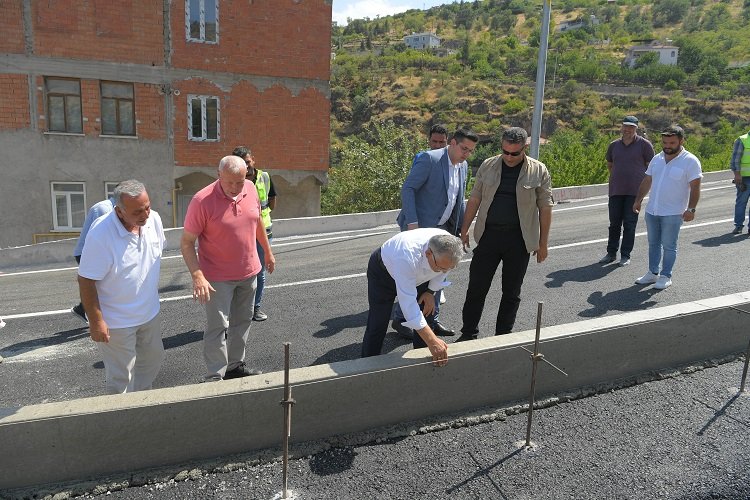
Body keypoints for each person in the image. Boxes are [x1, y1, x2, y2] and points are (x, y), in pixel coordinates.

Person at [181, 155, 275, 381]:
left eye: (239, 181)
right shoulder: (202, 200)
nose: (234, 188)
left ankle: (234, 366)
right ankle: (215, 375)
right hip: (217, 277)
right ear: (218, 175)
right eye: (229, 182)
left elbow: (257, 222)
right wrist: (198, 276)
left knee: (242, 321)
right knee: (218, 327)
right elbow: (186, 242)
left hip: (249, 272)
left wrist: (268, 252)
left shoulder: (251, 189)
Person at [456, 127, 553, 342]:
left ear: (524, 148)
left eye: (514, 153)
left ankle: (503, 336)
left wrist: (543, 244)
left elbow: (545, 208)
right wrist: (464, 229)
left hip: (518, 241)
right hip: (488, 237)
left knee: (511, 292)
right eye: (505, 151)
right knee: (476, 288)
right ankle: (468, 333)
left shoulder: (538, 171)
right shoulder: (488, 165)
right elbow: (474, 199)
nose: (508, 157)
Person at [77, 180, 166, 394]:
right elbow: (86, 280)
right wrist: (96, 321)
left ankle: (142, 410)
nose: (145, 215)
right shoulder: (101, 234)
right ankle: (122, 422)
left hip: (148, 313)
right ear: (119, 211)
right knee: (121, 377)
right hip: (117, 322)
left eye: (148, 207)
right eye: (138, 212)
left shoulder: (153, 220)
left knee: (152, 362)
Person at [393, 127, 478, 339]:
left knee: (438, 274)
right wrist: (413, 225)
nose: (467, 154)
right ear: (453, 144)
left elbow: (458, 199)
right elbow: (408, 189)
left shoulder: (463, 166)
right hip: (419, 228)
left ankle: (432, 320)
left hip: (444, 229)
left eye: (470, 151)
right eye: (464, 149)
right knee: (417, 278)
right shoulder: (429, 159)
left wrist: (461, 229)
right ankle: (403, 320)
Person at [361, 228, 463, 366]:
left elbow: (444, 269)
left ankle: (423, 360)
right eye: (441, 268)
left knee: (427, 313)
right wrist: (433, 341)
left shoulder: (450, 247)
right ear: (428, 253)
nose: (444, 272)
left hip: (419, 276)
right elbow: (408, 305)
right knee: (378, 322)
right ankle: (367, 365)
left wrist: (430, 292)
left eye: (449, 268)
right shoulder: (407, 256)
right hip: (383, 273)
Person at [633, 125, 702, 290]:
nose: (667, 146)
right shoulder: (657, 159)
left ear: (681, 141)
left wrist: (691, 209)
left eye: (671, 142)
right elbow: (647, 180)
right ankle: (652, 273)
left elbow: (696, 187)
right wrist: (638, 200)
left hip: (673, 213)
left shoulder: (690, 161)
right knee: (653, 243)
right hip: (653, 211)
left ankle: (665, 276)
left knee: (669, 245)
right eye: (665, 142)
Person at [599, 116, 655, 267]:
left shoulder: (645, 145)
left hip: (635, 192)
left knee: (630, 224)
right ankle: (611, 254)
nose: (628, 130)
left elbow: (651, 169)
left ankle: (625, 255)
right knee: (614, 224)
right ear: (621, 127)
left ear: (636, 129)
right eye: (625, 126)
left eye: (631, 127)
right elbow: (610, 165)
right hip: (616, 190)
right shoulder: (614, 145)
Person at [232, 146, 277, 321]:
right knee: (237, 273)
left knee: (259, 272)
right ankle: (236, 310)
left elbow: (272, 199)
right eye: (242, 163)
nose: (246, 165)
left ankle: (255, 308)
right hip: (241, 234)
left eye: (248, 161)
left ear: (253, 160)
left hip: (263, 231)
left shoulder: (264, 177)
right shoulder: (234, 181)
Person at [70, 192, 118, 323]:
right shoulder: (103, 209)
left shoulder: (113, 208)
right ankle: (92, 316)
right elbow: (102, 233)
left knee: (103, 284)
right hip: (87, 252)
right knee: (97, 284)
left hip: (98, 251)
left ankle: (82, 309)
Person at [730, 130, 750, 234]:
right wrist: (737, 175)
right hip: (744, 178)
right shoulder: (742, 140)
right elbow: (735, 160)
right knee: (741, 203)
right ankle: (738, 226)